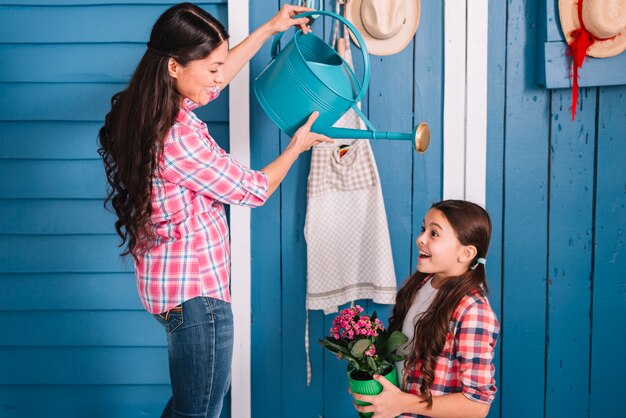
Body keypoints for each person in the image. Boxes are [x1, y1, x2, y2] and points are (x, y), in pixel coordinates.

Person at [97, 3, 331, 417]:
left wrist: (269, 29)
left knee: (190, 408)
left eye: (220, 64)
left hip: (171, 288)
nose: (218, 78)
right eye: (211, 68)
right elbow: (253, 189)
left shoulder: (147, 109)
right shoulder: (179, 137)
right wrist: (297, 146)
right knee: (200, 412)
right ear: (174, 66)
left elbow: (214, 76)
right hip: (198, 298)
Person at [352, 200, 500, 418]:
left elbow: (477, 405)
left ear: (466, 253)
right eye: (424, 229)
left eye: (434, 234)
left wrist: (403, 403)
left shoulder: (473, 311)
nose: (420, 239)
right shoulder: (422, 285)